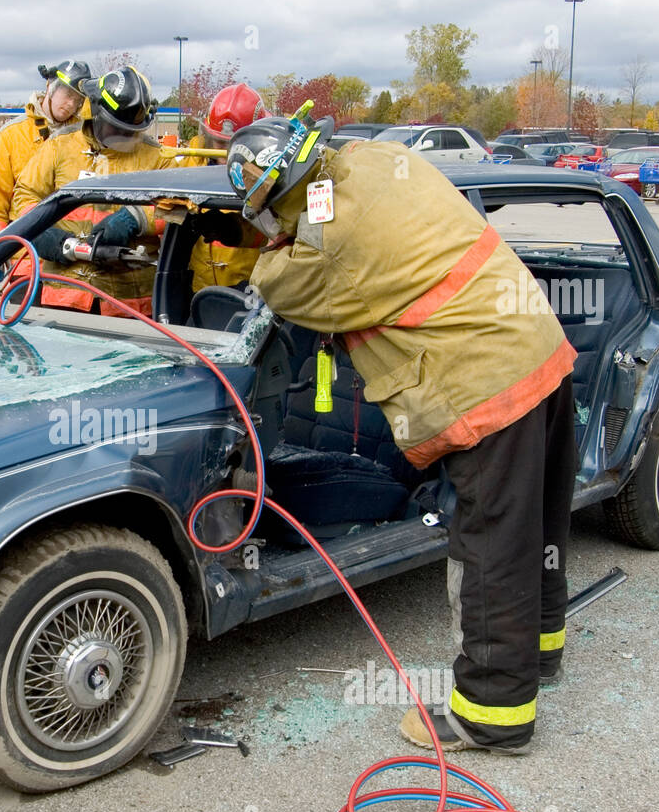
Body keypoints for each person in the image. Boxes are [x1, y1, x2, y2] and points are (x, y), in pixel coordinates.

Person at [225, 113, 578, 754]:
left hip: (484, 384)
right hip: (538, 352)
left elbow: (274, 285)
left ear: (277, 201)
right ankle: (540, 655)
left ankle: (493, 714)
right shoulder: (376, 161)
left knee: (488, 547)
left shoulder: (329, 250)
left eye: (265, 211)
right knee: (536, 528)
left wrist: (275, 237)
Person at [11, 65, 175, 316]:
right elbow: (25, 194)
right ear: (96, 113)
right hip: (65, 294)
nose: (123, 136)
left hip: (128, 300)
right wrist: (41, 231)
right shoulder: (60, 147)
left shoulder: (158, 157)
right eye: (116, 128)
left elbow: (180, 206)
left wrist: (137, 218)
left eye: (130, 131)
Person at [0, 60, 91, 237]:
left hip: (71, 251)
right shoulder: (10, 136)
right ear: (50, 87)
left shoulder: (84, 137)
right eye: (68, 94)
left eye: (77, 100)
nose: (71, 104)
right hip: (24, 252)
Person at [181, 83, 270, 293]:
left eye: (234, 144)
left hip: (249, 289)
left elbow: (275, 230)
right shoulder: (193, 164)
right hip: (200, 289)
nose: (226, 153)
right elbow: (168, 207)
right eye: (220, 144)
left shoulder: (269, 175)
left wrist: (233, 230)